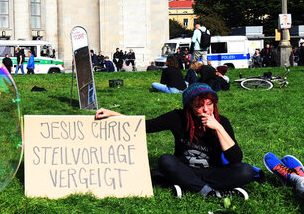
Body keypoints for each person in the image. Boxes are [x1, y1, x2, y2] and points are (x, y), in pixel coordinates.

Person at [96, 83, 255, 199]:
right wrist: (113, 114)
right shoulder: (177, 118)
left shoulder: (223, 122)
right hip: (184, 168)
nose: (206, 110)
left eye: (209, 104)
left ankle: (188, 185)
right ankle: (210, 192)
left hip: (212, 171)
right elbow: (145, 126)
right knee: (165, 160)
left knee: (246, 171)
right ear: (189, 107)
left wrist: (219, 128)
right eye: (199, 106)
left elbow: (235, 159)